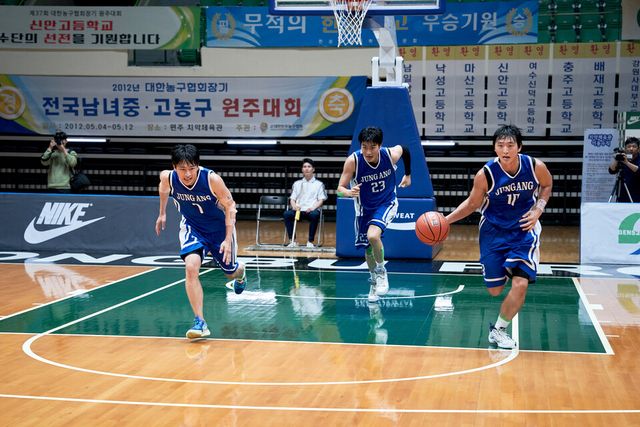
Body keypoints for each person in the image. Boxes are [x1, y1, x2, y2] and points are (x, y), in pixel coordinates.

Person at [445, 124, 553, 349]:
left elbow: (547, 185)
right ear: (494, 148)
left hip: (524, 230)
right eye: (500, 145)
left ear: (519, 147)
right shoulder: (485, 174)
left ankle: (499, 330)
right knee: (494, 290)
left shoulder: (535, 166)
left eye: (510, 145)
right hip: (493, 231)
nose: (505, 150)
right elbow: (472, 204)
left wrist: (538, 209)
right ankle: (506, 267)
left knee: (520, 284)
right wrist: (446, 221)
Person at [155, 144, 247, 340]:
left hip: (219, 230)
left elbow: (230, 206)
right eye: (182, 169)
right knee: (191, 268)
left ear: (198, 165)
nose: (188, 173)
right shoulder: (168, 177)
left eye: (192, 168)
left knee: (230, 272)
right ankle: (200, 322)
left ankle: (241, 274)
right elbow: (163, 189)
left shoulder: (212, 179)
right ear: (174, 167)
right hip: (193, 227)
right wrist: (162, 213)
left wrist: (227, 239)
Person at [337, 126, 412, 302]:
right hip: (364, 209)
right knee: (368, 249)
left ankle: (381, 271)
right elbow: (339, 189)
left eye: (372, 147)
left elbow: (405, 149)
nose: (368, 152)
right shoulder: (353, 161)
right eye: (364, 147)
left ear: (380, 145)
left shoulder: (389, 155)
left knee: (373, 235)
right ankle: (373, 281)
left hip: (387, 202)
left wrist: (408, 175)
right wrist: (348, 192)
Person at [284, 158, 328, 248]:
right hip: (298, 211)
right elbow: (292, 199)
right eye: (304, 167)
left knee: (314, 215)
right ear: (302, 169)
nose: (306, 168)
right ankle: (293, 241)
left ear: (313, 169)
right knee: (287, 214)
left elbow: (321, 200)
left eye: (309, 166)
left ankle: (310, 241)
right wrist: (294, 206)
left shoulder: (319, 184)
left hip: (311, 210)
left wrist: (312, 208)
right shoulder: (297, 183)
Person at [608, 136, 640, 203]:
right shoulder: (623, 157)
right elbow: (611, 171)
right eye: (629, 146)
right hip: (622, 196)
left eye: (634, 146)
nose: (631, 149)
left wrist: (627, 163)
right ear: (625, 148)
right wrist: (616, 159)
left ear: (638, 149)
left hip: (637, 196)